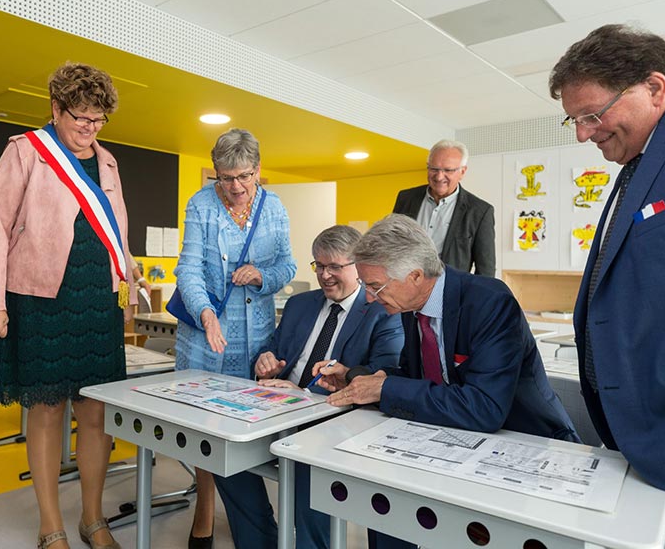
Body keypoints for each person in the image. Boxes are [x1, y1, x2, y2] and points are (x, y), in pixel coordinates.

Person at [317, 214, 579, 549]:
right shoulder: (411, 305)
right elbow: (418, 379)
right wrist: (356, 377)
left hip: (523, 447)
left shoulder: (488, 302)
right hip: (449, 441)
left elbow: (484, 408)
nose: (369, 298)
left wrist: (385, 388)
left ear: (414, 276)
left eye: (375, 286)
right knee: (384, 507)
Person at [0, 62, 136, 549]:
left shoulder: (107, 162)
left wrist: (126, 291)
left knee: (95, 414)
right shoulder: (25, 152)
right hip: (39, 300)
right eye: (80, 118)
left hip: (96, 303)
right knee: (45, 411)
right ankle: (51, 525)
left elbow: (120, 234)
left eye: (97, 120)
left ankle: (93, 518)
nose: (88, 129)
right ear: (55, 108)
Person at [549, 23, 665, 549]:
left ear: (653, 87)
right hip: (645, 445)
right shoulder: (641, 164)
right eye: (575, 120)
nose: (583, 134)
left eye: (592, 114)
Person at [214, 224, 404, 549]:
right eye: (319, 265)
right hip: (275, 406)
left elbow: (383, 376)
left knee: (308, 468)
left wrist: (312, 391)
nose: (325, 275)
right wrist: (265, 362)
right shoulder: (300, 304)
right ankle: (260, 543)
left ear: (357, 266)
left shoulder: (381, 310)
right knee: (223, 449)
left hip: (333, 417)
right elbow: (271, 350)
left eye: (335, 267)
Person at [173, 128, 296, 548]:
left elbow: (288, 265)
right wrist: (205, 313)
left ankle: (251, 519)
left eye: (243, 177)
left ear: (258, 170)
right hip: (205, 336)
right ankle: (204, 509)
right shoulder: (200, 205)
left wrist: (263, 276)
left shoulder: (274, 207)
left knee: (247, 428)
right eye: (224, 178)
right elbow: (188, 269)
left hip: (256, 337)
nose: (235, 187)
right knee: (204, 428)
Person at [392, 139, 495, 277]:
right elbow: (391, 243)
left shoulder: (480, 211)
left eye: (448, 170)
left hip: (449, 292)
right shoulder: (406, 198)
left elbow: (486, 271)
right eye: (434, 169)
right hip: (404, 286)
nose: (439, 176)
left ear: (462, 172)